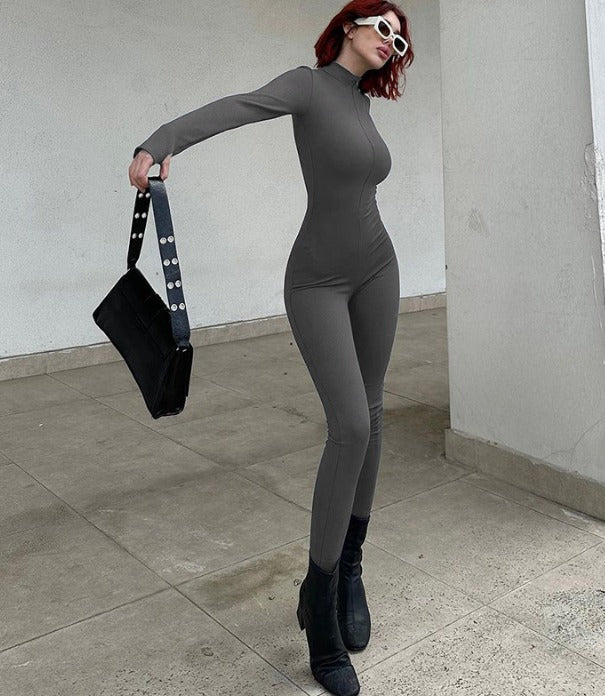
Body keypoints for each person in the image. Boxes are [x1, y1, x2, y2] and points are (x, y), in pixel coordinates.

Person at [128, 2, 413, 694]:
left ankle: (349, 571)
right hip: (317, 281)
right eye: (382, 26)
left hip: (378, 270)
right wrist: (158, 142)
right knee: (349, 425)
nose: (391, 41)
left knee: (374, 417)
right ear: (349, 24)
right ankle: (319, 606)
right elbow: (235, 108)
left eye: (400, 38)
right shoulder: (306, 86)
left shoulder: (361, 105)